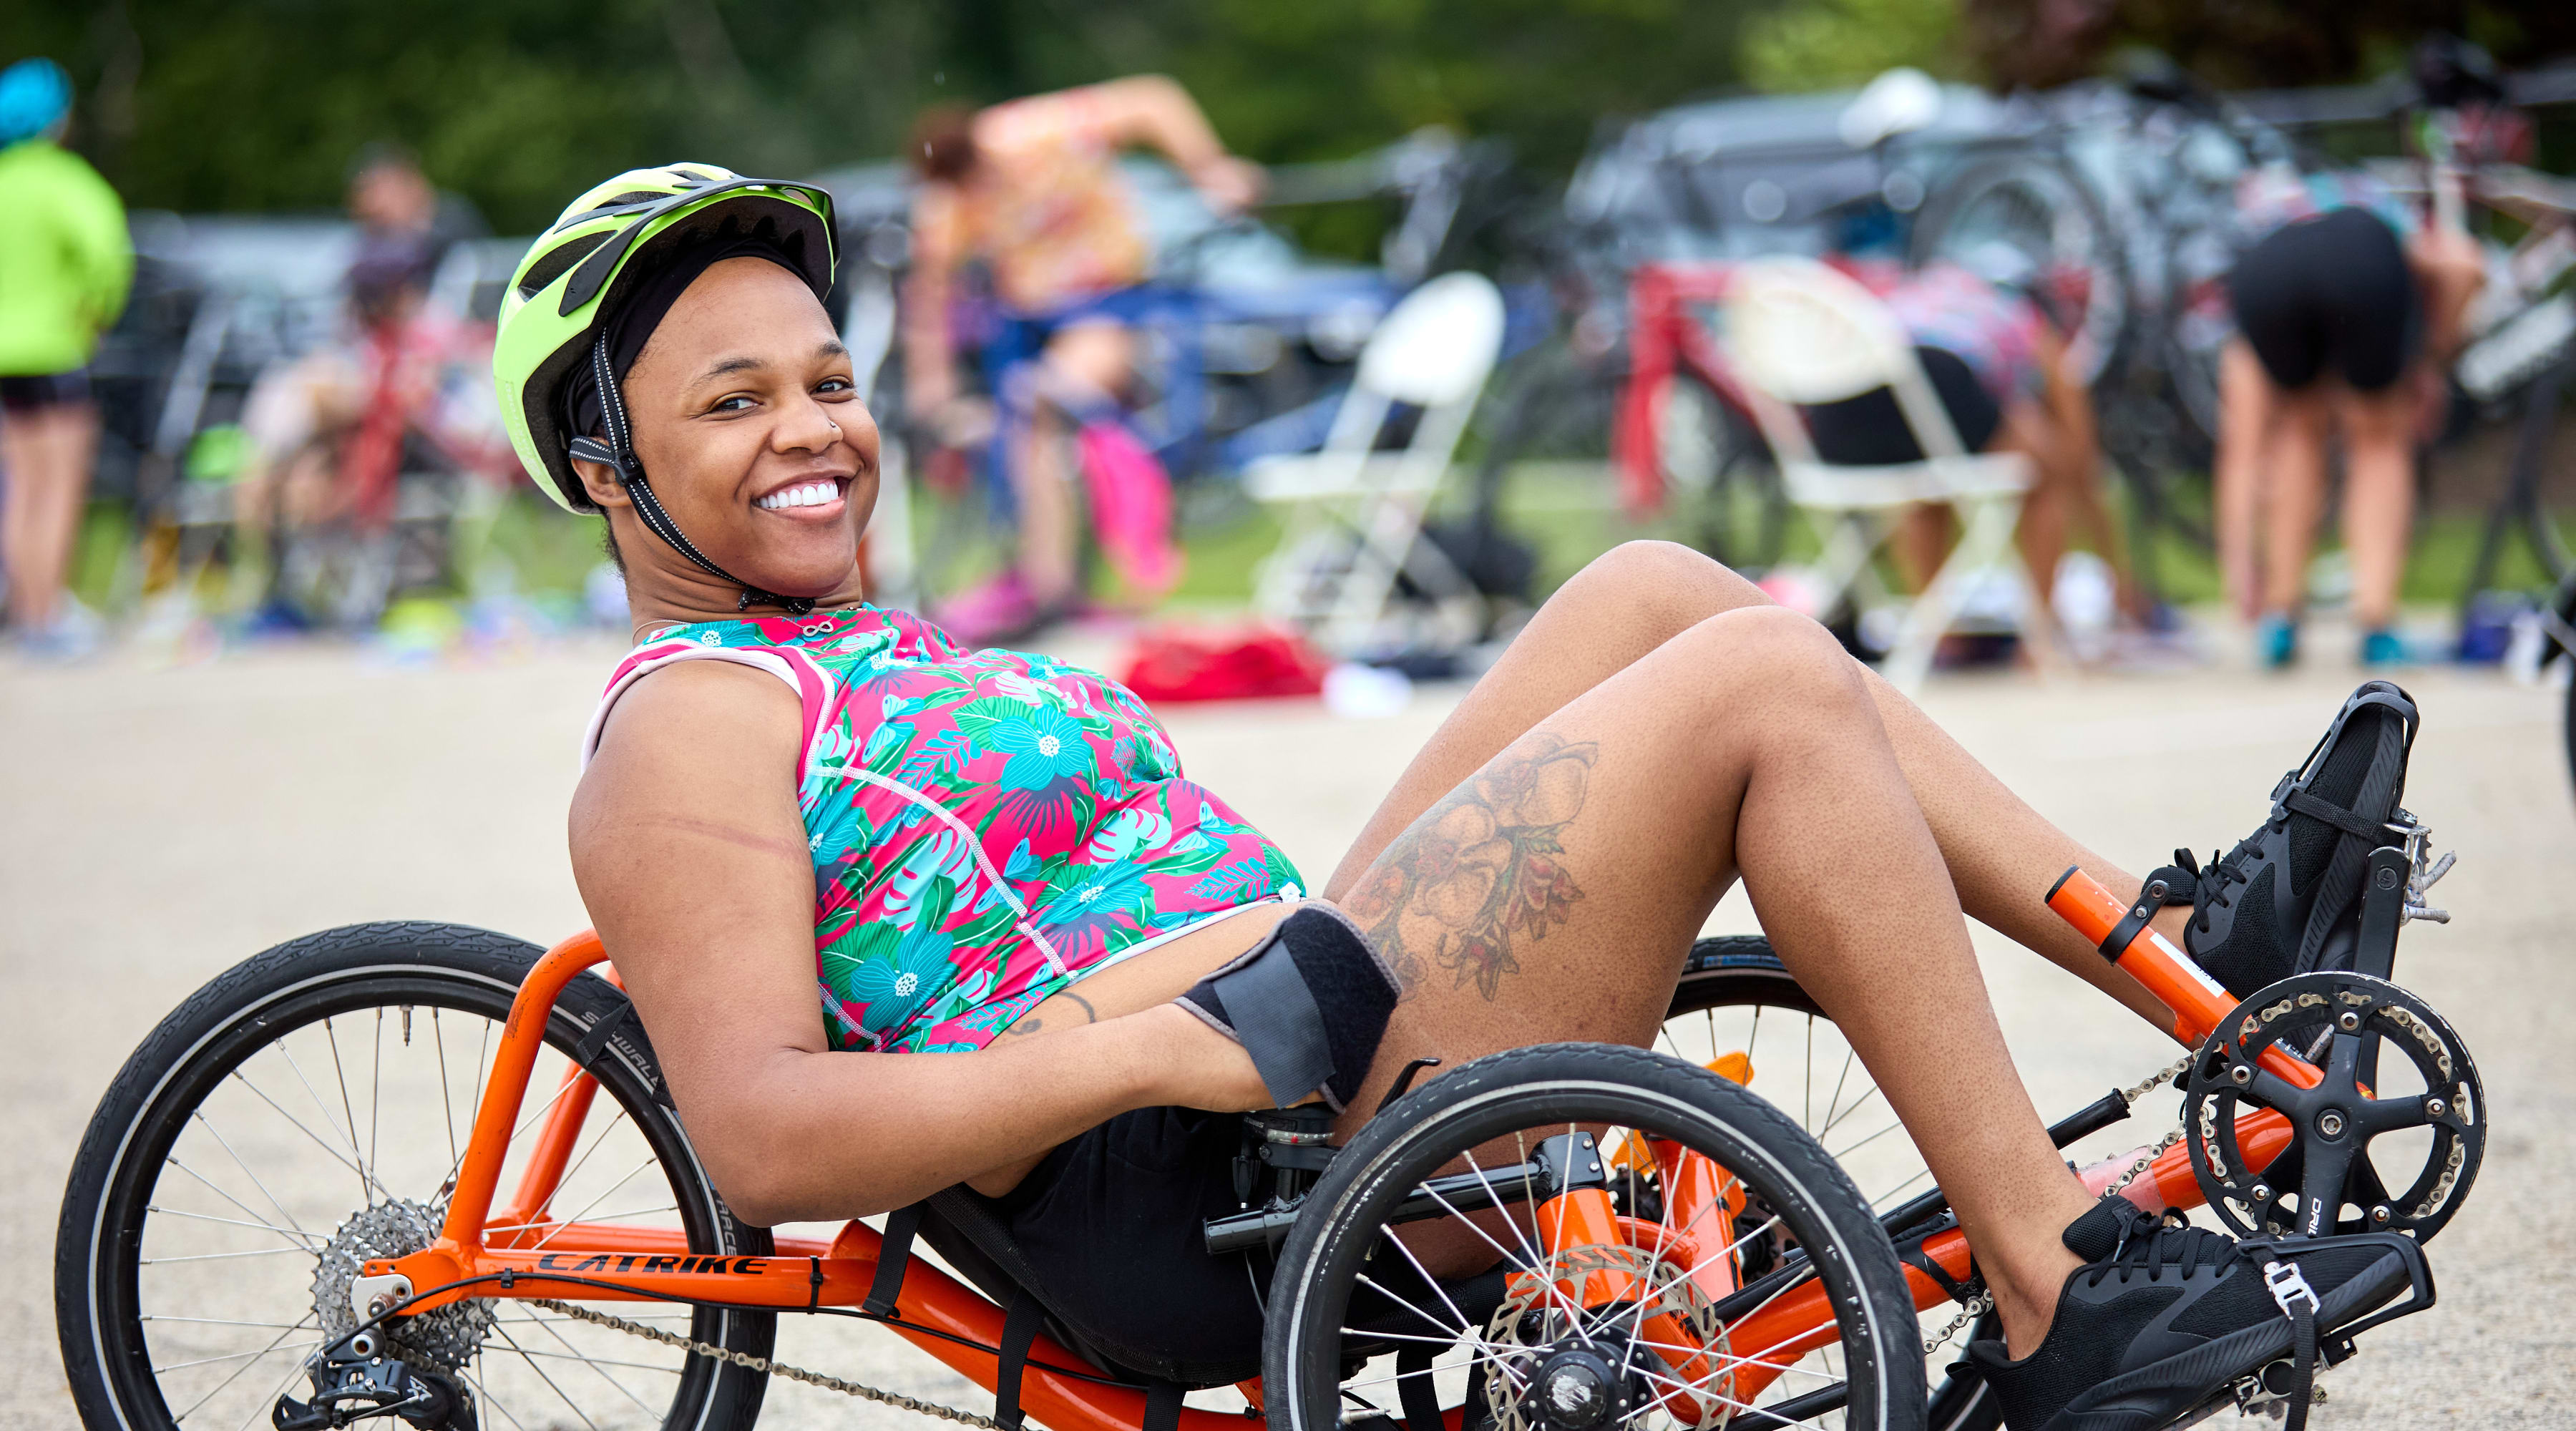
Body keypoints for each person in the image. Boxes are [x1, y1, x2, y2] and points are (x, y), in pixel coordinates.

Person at [495, 165, 2426, 1431]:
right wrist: (1160, 1056)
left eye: (826, 382)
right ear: (608, 463)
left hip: (1289, 1026)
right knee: (1756, 679)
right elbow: (760, 1138)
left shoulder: (863, 646)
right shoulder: (686, 725)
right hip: (1197, 1172)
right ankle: (2049, 1284)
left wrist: (1214, 1014)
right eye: (734, 403)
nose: (818, 429)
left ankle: (2191, 958)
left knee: (1661, 593)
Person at [902, 77, 1263, 641]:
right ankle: (1048, 581)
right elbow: (932, 291)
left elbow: (1153, 100)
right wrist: (933, 384)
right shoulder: (947, 199)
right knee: (1020, 427)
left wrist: (1210, 169)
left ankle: (1069, 574)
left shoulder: (1038, 132)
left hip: (1111, 304)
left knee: (1043, 402)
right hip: (1033, 325)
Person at [1806, 255, 2155, 655]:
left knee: (1928, 484)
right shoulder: (2028, 323)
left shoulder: (1918, 297)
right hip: (1936, 377)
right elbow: (2083, 461)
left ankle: (1939, 638)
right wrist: (2119, 575)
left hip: (1835, 411)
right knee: (2044, 472)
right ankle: (2042, 638)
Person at [2212, 160, 2482, 668]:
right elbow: (2464, 267)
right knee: (2378, 441)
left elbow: (2241, 454)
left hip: (2264, 279)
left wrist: (2238, 571)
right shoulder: (2376, 209)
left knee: (2296, 432)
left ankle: (2279, 619)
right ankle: (2376, 625)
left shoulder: (2270, 232)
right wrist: (2431, 359)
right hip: (2364, 262)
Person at [0, 57, 130, 658]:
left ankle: (26, 609)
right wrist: (95, 312)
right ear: (56, 119)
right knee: (57, 487)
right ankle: (47, 616)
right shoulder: (61, 181)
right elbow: (108, 253)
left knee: (19, 487)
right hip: (51, 351)